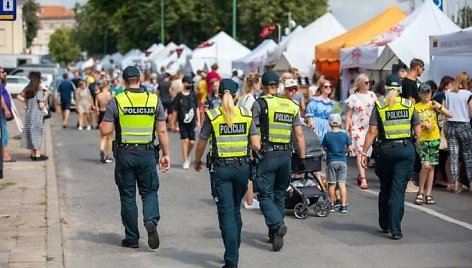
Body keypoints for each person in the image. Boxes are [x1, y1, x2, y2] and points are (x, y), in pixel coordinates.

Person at [99, 66, 170, 249]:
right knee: (149, 192)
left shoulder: (118, 101)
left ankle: (131, 238)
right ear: (140, 79)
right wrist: (166, 154)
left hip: (125, 154)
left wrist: (112, 120)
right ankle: (151, 220)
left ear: (124, 81)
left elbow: (105, 130)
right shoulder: (153, 100)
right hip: (147, 154)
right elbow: (162, 131)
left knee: (128, 196)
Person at [194, 78, 260, 268]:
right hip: (242, 168)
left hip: (221, 169)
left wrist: (197, 161)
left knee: (226, 214)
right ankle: (234, 248)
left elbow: (201, 142)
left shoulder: (213, 116)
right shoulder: (246, 114)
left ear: (218, 94)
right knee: (235, 210)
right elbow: (255, 144)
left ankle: (231, 259)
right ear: (236, 94)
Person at [360, 74, 421, 240]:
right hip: (406, 150)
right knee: (398, 190)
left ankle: (384, 224)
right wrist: (418, 146)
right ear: (400, 89)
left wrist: (364, 153)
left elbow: (372, 131)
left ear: (385, 89)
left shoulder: (379, 105)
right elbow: (418, 129)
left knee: (385, 187)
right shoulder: (409, 104)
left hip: (386, 151)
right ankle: (396, 229)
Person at [251, 71, 305, 252]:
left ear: (263, 86)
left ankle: (277, 224)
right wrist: (302, 157)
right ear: (278, 86)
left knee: (265, 195)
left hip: (267, 155)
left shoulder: (260, 104)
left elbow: (253, 131)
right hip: (286, 156)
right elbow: (298, 134)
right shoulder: (291, 105)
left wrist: (252, 152)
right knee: (279, 194)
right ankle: (273, 234)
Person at [414, 83, 452, 205]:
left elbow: (450, 114)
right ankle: (420, 192)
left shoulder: (434, 105)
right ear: (419, 94)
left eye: (428, 93)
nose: (426, 95)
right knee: (425, 165)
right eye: (423, 93)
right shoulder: (415, 107)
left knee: (431, 167)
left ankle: (428, 194)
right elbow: (412, 125)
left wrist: (439, 107)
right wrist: (424, 124)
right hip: (422, 139)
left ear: (432, 94)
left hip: (434, 138)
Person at [345, 74, 377, 190]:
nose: (368, 84)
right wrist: (347, 129)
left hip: (370, 128)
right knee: (360, 152)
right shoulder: (353, 97)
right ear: (360, 84)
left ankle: (361, 173)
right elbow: (348, 115)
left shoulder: (372, 95)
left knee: (367, 154)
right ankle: (363, 178)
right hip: (357, 128)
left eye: (369, 82)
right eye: (366, 82)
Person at [236, 72, 261, 209]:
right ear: (255, 84)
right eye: (259, 83)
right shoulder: (252, 100)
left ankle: (247, 197)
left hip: (240, 134)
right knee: (250, 170)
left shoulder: (242, 98)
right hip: (248, 135)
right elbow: (251, 122)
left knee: (245, 167)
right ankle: (250, 199)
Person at [443, 71, 472, 193]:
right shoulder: (468, 94)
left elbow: (443, 109)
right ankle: (471, 184)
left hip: (450, 124)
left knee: (453, 155)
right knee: (468, 155)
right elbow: (471, 112)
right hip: (464, 124)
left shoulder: (447, 93)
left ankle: (454, 184)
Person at [322, 113, 353, 213]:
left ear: (330, 123)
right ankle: (343, 206)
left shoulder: (327, 135)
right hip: (342, 162)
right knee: (342, 184)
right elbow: (350, 149)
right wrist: (343, 151)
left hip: (331, 161)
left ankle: (331, 205)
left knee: (331, 184)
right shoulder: (344, 135)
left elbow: (324, 148)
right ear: (340, 123)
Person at [19, 72, 49, 161]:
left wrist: (27, 103)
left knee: (31, 134)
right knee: (37, 134)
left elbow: (18, 96)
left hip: (29, 114)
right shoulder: (39, 90)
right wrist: (45, 96)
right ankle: (37, 155)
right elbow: (41, 105)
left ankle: (33, 154)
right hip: (37, 115)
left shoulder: (28, 89)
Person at [172, 76, 200, 169]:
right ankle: (185, 160)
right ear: (183, 83)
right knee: (185, 140)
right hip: (182, 121)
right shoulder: (179, 96)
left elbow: (197, 108)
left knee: (192, 142)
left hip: (191, 121)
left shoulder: (193, 95)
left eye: (191, 83)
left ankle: (187, 155)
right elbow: (175, 111)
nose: (190, 85)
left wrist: (198, 121)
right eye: (188, 83)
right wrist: (173, 123)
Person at [95, 80, 113, 163]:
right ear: (107, 86)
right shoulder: (110, 94)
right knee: (109, 137)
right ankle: (108, 156)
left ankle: (102, 150)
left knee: (102, 136)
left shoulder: (98, 95)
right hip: (109, 115)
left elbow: (96, 107)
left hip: (101, 114)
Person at [0, 66, 15, 162]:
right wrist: (6, 109)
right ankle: (5, 156)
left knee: (3, 133)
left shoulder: (1, 84)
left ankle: (5, 155)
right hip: (1, 112)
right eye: (1, 72)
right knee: (4, 133)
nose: (4, 73)